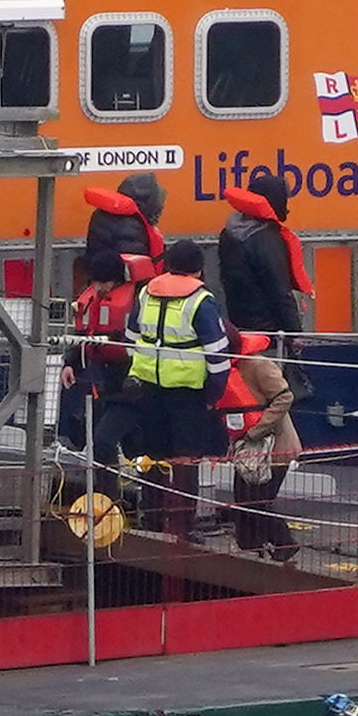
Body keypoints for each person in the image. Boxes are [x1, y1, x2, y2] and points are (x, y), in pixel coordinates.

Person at [116, 239, 234, 538]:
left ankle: (151, 517)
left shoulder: (146, 292)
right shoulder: (201, 300)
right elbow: (218, 355)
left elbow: (130, 340)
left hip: (149, 388)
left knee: (152, 454)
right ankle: (182, 525)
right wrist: (214, 394)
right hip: (188, 392)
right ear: (199, 269)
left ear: (167, 264)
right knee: (186, 459)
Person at [220, 336, 301, 562]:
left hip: (275, 446)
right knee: (243, 500)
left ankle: (285, 544)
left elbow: (284, 397)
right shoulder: (226, 369)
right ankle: (250, 549)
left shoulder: (259, 364)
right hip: (246, 448)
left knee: (259, 502)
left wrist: (258, 429)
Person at [58, 248, 135, 462]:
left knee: (120, 432)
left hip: (127, 375)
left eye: (104, 282)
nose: (99, 287)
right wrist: (70, 363)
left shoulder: (136, 300)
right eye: (96, 282)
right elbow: (81, 332)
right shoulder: (91, 299)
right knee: (95, 429)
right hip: (96, 371)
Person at [217, 174, 309, 343]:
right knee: (275, 370)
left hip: (241, 328)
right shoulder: (266, 239)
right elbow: (279, 290)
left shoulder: (229, 233)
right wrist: (294, 332)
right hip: (270, 333)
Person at [85, 174, 165, 281]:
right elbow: (135, 269)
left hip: (101, 282)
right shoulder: (132, 226)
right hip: (119, 286)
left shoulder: (102, 214)